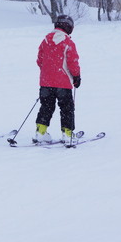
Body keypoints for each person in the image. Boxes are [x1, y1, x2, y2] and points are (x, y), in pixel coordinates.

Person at [33, 14, 81, 144]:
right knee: (66, 108)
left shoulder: (46, 41)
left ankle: (40, 132)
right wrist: (76, 76)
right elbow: (73, 63)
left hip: (46, 82)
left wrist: (48, 72)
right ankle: (67, 133)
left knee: (46, 107)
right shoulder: (68, 43)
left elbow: (40, 60)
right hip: (63, 83)